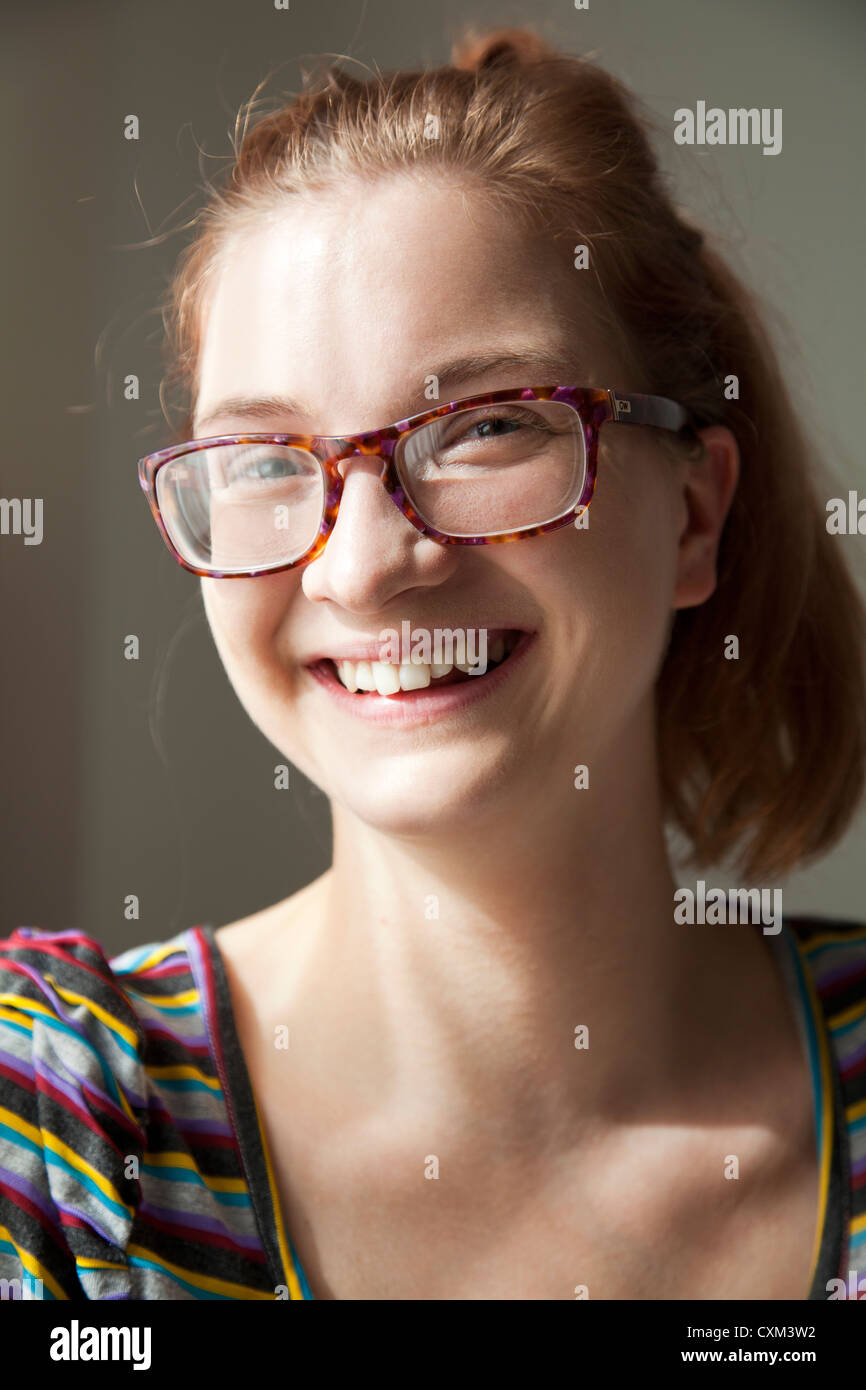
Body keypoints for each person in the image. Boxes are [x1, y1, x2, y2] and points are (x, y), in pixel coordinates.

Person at [2, 25, 865, 1303]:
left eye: (485, 428)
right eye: (263, 459)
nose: (360, 566)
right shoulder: (56, 1123)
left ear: (690, 514)